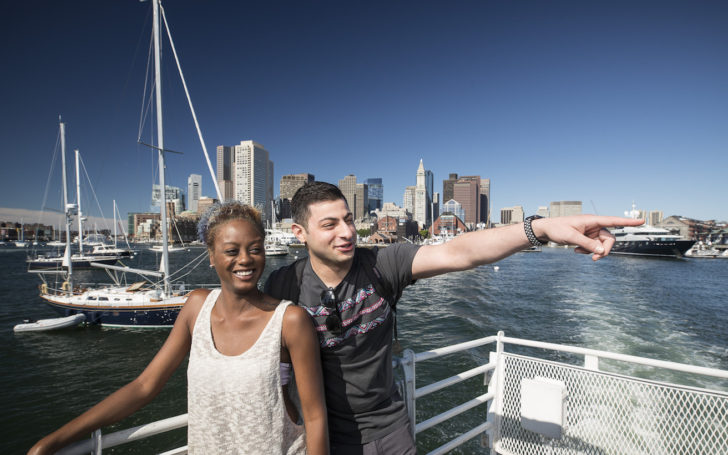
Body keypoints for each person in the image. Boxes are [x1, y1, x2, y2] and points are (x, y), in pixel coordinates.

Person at [264, 181, 644, 454]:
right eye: (329, 224)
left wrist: (540, 229)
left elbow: (460, 252)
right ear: (300, 232)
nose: (347, 232)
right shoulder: (284, 283)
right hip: (324, 436)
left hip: (391, 427)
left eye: (348, 219)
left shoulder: (381, 263)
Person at [29, 202, 328, 455]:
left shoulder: (289, 320)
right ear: (211, 257)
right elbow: (145, 386)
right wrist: (53, 441)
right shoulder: (196, 307)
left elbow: (314, 417)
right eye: (231, 251)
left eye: (255, 249)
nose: (245, 260)